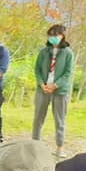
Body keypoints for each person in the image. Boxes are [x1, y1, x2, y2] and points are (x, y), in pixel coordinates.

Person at [32, 24, 74, 158]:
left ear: (62, 36)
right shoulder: (44, 52)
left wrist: (55, 85)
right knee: (38, 117)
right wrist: (41, 84)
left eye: (56, 35)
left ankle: (59, 147)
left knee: (59, 119)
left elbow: (68, 73)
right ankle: (35, 145)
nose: (53, 38)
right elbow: (37, 69)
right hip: (42, 89)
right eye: (51, 35)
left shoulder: (68, 53)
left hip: (60, 91)